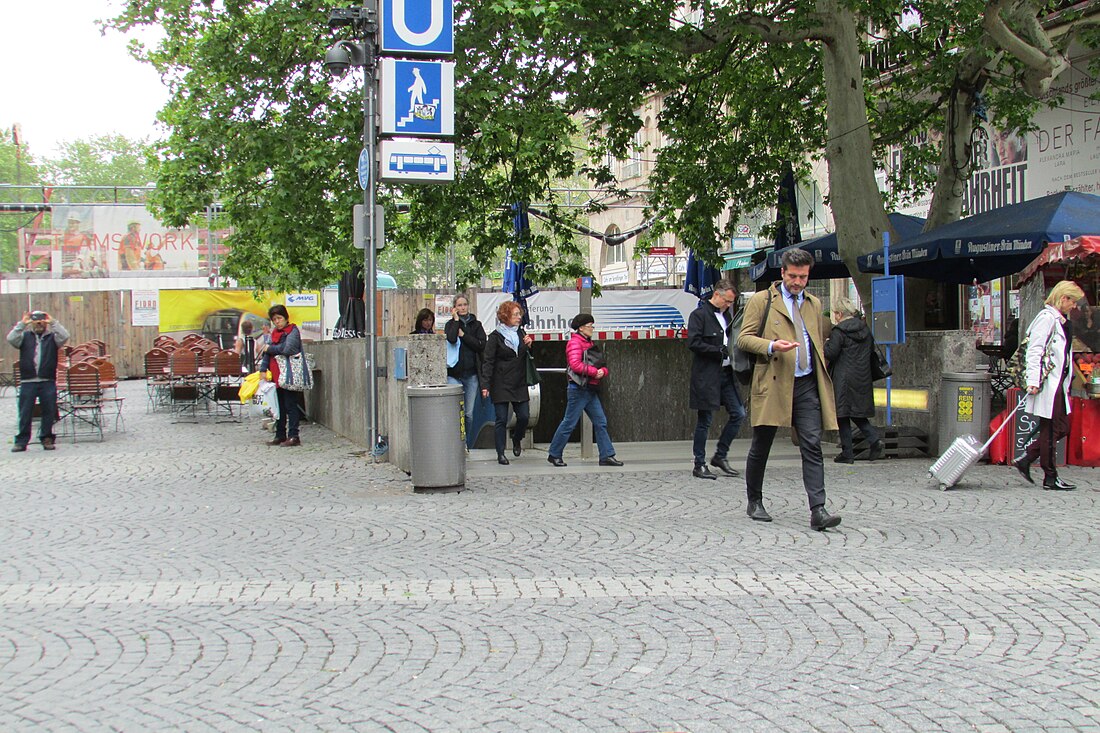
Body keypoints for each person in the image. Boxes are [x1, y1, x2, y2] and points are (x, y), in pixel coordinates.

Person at [736, 248, 842, 530]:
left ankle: (818, 510)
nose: (797, 282)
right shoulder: (762, 300)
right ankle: (754, 500)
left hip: (806, 383)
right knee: (762, 444)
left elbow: (815, 338)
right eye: (793, 276)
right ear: (782, 273)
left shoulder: (814, 303)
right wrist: (772, 345)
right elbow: (744, 339)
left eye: (803, 277)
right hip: (773, 381)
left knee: (811, 444)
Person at [1014, 280, 1084, 491]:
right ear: (1063, 299)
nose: (1075, 306)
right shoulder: (1046, 319)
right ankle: (1050, 476)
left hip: (1058, 384)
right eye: (1073, 301)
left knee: (1060, 427)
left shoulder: (1059, 320)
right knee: (1052, 428)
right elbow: (1035, 350)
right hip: (1048, 384)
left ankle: (1027, 459)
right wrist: (1033, 382)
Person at [687, 278, 746, 479]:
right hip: (707, 374)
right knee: (705, 420)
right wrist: (717, 351)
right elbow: (693, 343)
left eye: (731, 302)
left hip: (726, 373)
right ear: (717, 295)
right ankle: (699, 463)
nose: (729, 305)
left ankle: (720, 454)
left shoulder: (726, 316)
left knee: (739, 413)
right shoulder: (699, 315)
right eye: (727, 301)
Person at [546, 313, 623, 467]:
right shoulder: (576, 343)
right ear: (581, 328)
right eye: (590, 326)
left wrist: (602, 371)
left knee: (600, 422)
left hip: (588, 388)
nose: (592, 328)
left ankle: (606, 455)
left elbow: (598, 363)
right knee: (570, 422)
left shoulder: (586, 342)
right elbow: (575, 365)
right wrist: (596, 372)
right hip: (579, 389)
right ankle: (554, 454)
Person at [824, 297, 884, 464]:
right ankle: (874, 440)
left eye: (835, 313)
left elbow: (831, 353)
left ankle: (848, 453)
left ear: (840, 313)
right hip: (863, 376)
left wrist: (826, 344)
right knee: (857, 412)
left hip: (843, 377)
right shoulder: (865, 330)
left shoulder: (839, 332)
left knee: (842, 414)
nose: (834, 316)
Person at [480, 301, 534, 465]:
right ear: (505, 316)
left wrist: (529, 345)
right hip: (501, 382)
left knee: (524, 417)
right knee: (501, 419)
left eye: (519, 314)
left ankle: (517, 438)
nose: (519, 317)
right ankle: (500, 453)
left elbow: (525, 357)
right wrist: (485, 385)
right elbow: (488, 361)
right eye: (515, 314)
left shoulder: (521, 333)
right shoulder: (495, 337)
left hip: (519, 381)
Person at [8, 311, 70, 452]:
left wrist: (53, 322)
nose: (39, 324)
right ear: (31, 323)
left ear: (45, 323)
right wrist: (22, 324)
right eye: (36, 322)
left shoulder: (52, 338)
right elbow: (11, 338)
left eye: (41, 321)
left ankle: (46, 438)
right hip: (28, 381)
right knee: (25, 412)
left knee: (49, 411)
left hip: (47, 380)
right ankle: (21, 441)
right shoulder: (24, 337)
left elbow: (65, 336)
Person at [256, 304, 303, 447]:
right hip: (276, 375)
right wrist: (263, 369)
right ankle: (280, 434)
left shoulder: (292, 331)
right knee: (278, 406)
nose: (277, 321)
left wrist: (270, 348)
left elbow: (288, 348)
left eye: (279, 318)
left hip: (289, 375)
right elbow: (266, 354)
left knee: (291, 405)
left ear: (286, 317)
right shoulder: (274, 334)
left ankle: (294, 436)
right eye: (274, 319)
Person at [444, 294, 486, 431]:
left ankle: (465, 443)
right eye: (459, 305)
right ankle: (456, 442)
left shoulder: (476, 324)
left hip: (472, 374)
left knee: (468, 414)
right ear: (454, 308)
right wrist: (456, 321)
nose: (462, 308)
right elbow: (451, 338)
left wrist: (464, 336)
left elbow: (480, 345)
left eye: (464, 304)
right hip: (454, 374)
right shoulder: (450, 324)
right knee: (456, 412)